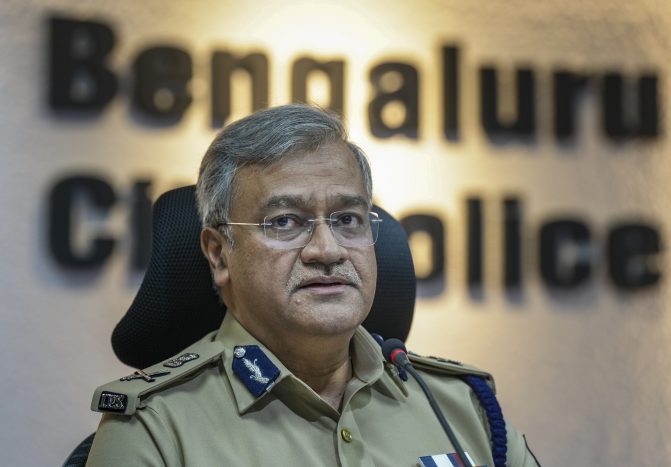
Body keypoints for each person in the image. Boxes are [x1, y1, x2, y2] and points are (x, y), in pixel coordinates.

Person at [86, 104, 540, 466]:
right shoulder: (155, 427)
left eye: (348, 219)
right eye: (285, 221)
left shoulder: (463, 408)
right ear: (219, 254)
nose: (327, 249)